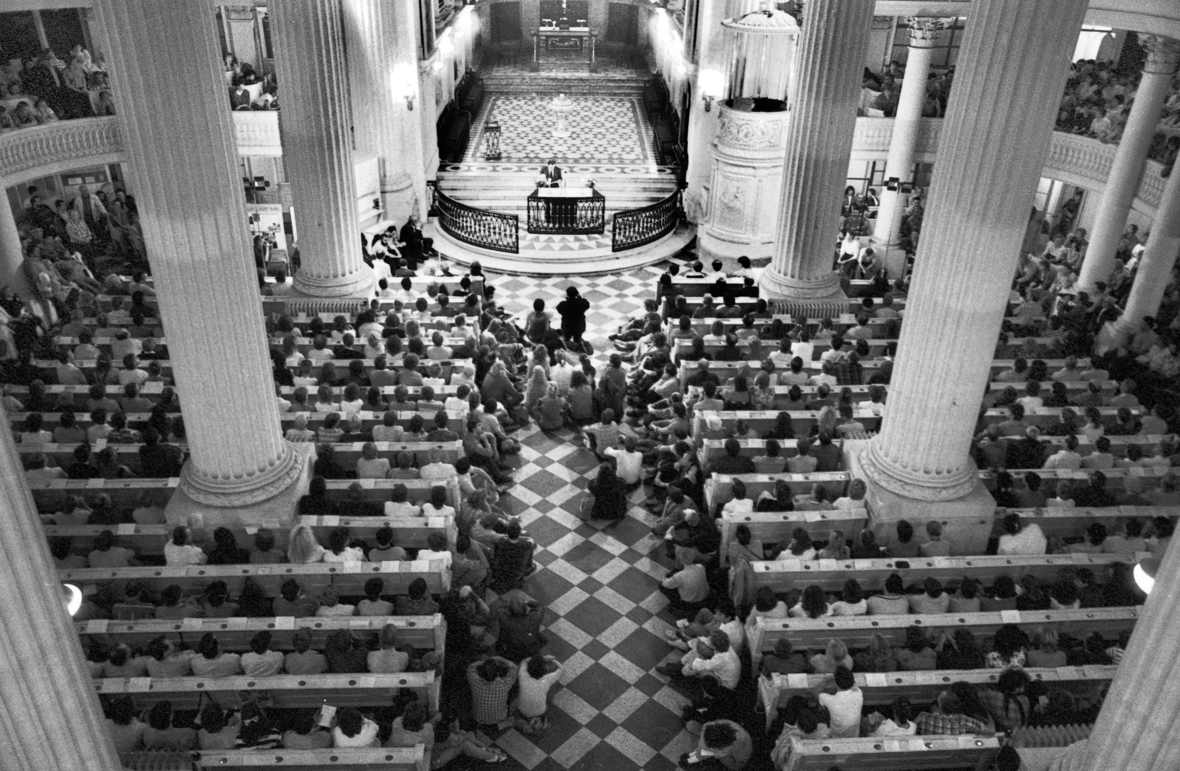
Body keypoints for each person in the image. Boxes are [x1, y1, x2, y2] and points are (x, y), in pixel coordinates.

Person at [467, 656, 518, 729]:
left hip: (478, 718)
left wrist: (484, 662)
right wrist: (499, 658)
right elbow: (514, 668)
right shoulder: (504, 685)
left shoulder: (474, 682)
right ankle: (501, 724)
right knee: (512, 691)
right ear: (498, 673)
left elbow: (471, 667)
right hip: (499, 718)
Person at [818, 666, 863, 738]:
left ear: (836, 683)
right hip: (855, 736)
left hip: (835, 737)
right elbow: (853, 685)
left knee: (821, 708)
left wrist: (826, 680)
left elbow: (815, 691)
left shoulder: (830, 700)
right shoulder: (858, 693)